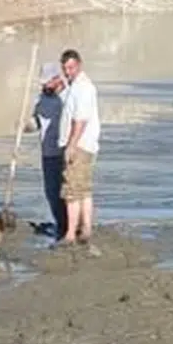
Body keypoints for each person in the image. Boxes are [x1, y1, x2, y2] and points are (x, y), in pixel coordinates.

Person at [57, 48, 101, 247]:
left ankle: (70, 234)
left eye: (71, 68)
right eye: (65, 68)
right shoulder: (76, 86)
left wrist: (71, 145)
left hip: (80, 145)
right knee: (83, 189)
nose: (68, 72)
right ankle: (86, 229)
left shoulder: (83, 87)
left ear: (79, 65)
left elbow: (80, 120)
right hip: (86, 144)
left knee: (72, 190)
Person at [28, 60, 68, 239]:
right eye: (43, 83)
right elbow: (37, 122)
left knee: (67, 192)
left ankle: (69, 227)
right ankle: (61, 224)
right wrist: (26, 125)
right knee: (51, 192)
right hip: (48, 152)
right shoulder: (41, 99)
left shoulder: (67, 97)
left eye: (48, 82)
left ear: (57, 79)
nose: (45, 86)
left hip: (64, 151)